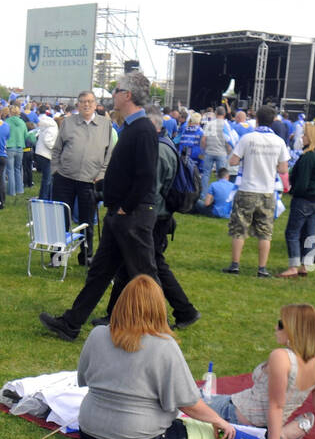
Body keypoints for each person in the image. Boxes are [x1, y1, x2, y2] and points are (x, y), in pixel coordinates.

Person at [39, 72, 159, 342]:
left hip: (132, 215)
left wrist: (125, 208)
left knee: (145, 275)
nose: (113, 94)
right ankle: (71, 323)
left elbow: (146, 176)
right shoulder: (131, 127)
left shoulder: (143, 129)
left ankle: (158, 329)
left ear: (127, 95)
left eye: (117, 90)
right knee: (100, 272)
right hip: (119, 215)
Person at [76, 275, 234, 439]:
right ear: (158, 308)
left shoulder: (97, 335)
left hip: (89, 431)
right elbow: (188, 402)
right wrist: (218, 420)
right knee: (206, 433)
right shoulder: (163, 346)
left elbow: (83, 379)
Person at [203, 304, 315, 439]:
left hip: (236, 413)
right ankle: (277, 435)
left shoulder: (281, 357)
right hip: (268, 424)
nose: (276, 327)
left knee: (192, 399)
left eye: (281, 324)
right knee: (308, 417)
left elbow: (276, 405)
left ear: (293, 329)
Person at [105, 107, 200, 330]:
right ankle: (114, 314)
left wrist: (130, 207)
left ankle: (181, 311)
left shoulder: (157, 150)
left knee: (152, 267)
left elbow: (150, 188)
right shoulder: (165, 145)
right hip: (157, 214)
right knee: (129, 265)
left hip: (154, 216)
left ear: (153, 126)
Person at [222, 104, 289, 277]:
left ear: (257, 119)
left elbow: (233, 162)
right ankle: (262, 268)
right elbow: (283, 169)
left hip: (247, 188)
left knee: (239, 228)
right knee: (265, 232)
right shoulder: (279, 141)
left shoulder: (247, 138)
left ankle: (235, 264)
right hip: (267, 190)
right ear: (273, 121)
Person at [50, 90, 113, 264]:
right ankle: (57, 256)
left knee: (87, 222)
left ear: (95, 104)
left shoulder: (105, 124)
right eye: (83, 101)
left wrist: (101, 176)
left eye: (90, 101)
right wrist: (55, 170)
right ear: (78, 104)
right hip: (65, 178)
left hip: (90, 181)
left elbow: (109, 155)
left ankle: (86, 256)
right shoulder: (68, 123)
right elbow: (57, 149)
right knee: (60, 219)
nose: (87, 104)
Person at [279, 123, 315, 278]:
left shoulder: (308, 156)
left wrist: (292, 192)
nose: (302, 137)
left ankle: (293, 266)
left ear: (311, 137)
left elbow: (302, 183)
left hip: (304, 199)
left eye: (305, 135)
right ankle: (305, 265)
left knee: (292, 232)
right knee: (309, 232)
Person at [199, 106, 233, 197]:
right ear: (224, 114)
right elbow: (230, 141)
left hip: (209, 152)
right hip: (222, 153)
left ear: (216, 113)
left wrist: (204, 149)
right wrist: (229, 152)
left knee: (206, 174)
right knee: (221, 176)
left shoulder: (209, 124)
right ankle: (219, 195)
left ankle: (203, 195)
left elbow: (203, 140)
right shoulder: (227, 125)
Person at [5, 102, 29, 200]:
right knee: (18, 169)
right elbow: (26, 136)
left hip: (10, 147)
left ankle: (11, 191)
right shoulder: (22, 122)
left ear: (10, 112)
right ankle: (20, 189)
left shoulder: (6, 122)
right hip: (20, 147)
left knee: (10, 170)